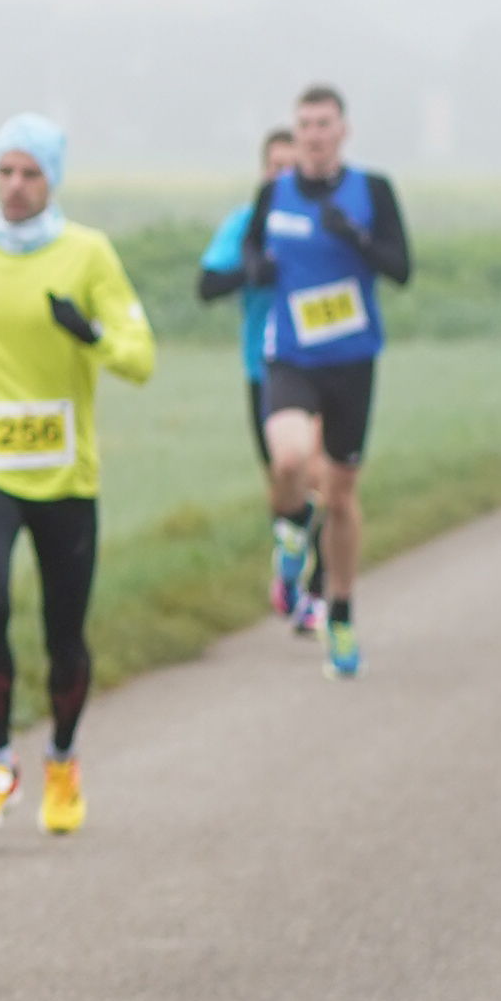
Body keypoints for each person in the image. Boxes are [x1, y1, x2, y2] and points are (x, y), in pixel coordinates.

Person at [0, 115, 155, 837]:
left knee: (64, 630)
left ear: (53, 180)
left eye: (31, 173)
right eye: (6, 171)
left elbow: (140, 357)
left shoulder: (88, 253)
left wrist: (91, 334)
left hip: (65, 475)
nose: (16, 186)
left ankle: (61, 760)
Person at [235, 85, 408, 678]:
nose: (313, 134)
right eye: (305, 124)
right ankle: (289, 537)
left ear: (343, 130)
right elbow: (251, 248)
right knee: (287, 459)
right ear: (296, 130)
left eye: (324, 123)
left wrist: (355, 237)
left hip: (352, 362)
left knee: (338, 496)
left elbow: (401, 267)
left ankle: (340, 611)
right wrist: (257, 267)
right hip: (292, 355)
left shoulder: (372, 190)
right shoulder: (274, 192)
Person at [198, 126, 321, 627]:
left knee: (325, 478)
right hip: (265, 369)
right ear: (263, 171)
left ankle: (319, 591)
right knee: (286, 476)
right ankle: (290, 571)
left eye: (292, 167)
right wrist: (253, 271)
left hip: (327, 365)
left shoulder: (324, 218)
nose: (283, 175)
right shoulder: (247, 223)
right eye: (275, 167)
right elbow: (207, 285)